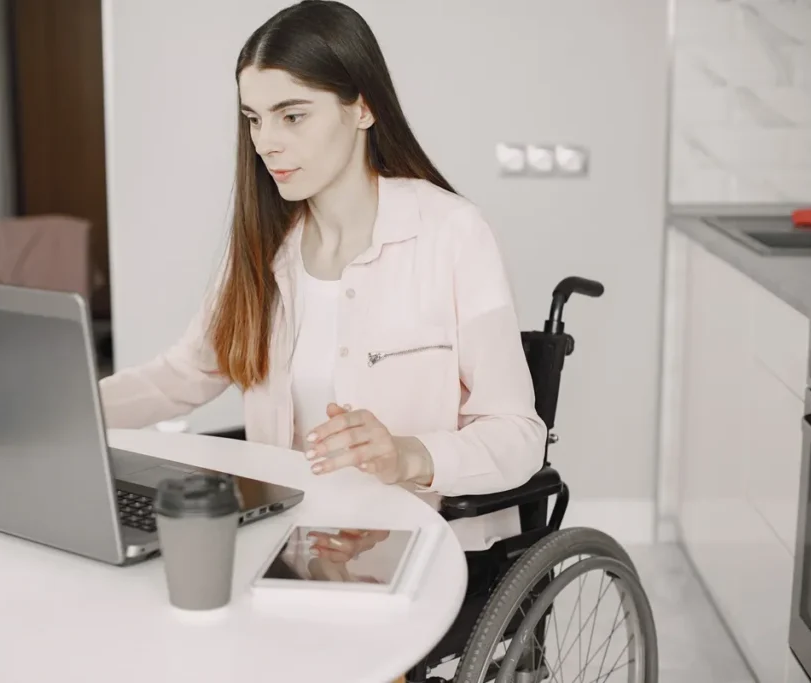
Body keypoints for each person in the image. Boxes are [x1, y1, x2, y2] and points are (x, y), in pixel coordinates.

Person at [99, 1, 547, 675]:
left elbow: (518, 435)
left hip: (418, 544)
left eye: (292, 115)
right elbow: (180, 376)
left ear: (361, 108)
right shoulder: (264, 249)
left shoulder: (452, 234)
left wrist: (405, 453)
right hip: (286, 543)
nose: (265, 142)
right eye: (253, 119)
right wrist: (70, 404)